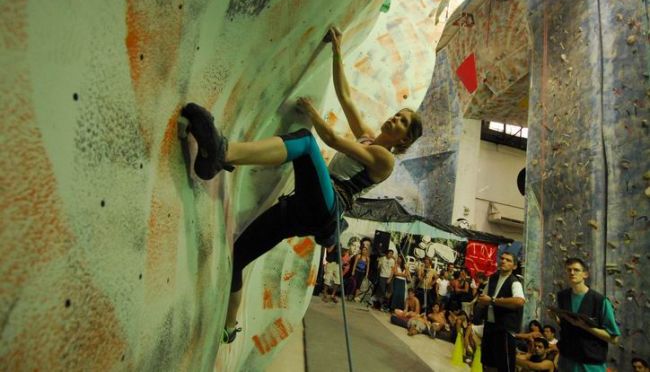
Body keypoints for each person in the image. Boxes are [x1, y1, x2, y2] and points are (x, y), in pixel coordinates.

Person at [179, 27, 424, 343]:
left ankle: (224, 152)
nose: (394, 119)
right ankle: (230, 326)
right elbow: (346, 96)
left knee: (307, 142)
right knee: (239, 254)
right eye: (398, 114)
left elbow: (332, 138)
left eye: (402, 121)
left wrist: (311, 112)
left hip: (329, 205)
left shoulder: (384, 160)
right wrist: (337, 50)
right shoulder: (367, 136)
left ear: (404, 138)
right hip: (305, 206)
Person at [552, 258, 620, 371]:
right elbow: (570, 326)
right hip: (566, 359)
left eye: (576, 270)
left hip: (590, 362)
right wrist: (557, 319)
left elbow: (614, 338)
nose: (572, 273)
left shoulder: (600, 301)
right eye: (569, 270)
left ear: (585, 274)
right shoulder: (562, 296)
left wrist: (585, 326)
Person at [477, 251, 526, 372]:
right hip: (489, 326)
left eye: (508, 260)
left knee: (504, 366)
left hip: (504, 329)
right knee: (487, 363)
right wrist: (481, 303)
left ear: (514, 266)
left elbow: (519, 301)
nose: (503, 261)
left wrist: (493, 301)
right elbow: (484, 297)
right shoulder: (493, 278)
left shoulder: (515, 282)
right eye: (502, 258)